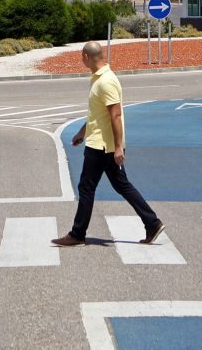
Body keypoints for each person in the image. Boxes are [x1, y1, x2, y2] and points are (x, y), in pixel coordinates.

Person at [52, 41, 165, 247]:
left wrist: (119, 147)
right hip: (101, 142)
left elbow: (115, 115)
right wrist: (82, 132)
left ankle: (77, 234)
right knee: (121, 185)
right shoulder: (98, 79)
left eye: (81, 56)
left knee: (86, 187)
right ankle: (152, 223)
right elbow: (99, 114)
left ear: (87, 57)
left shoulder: (106, 81)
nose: (81, 60)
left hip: (102, 146)